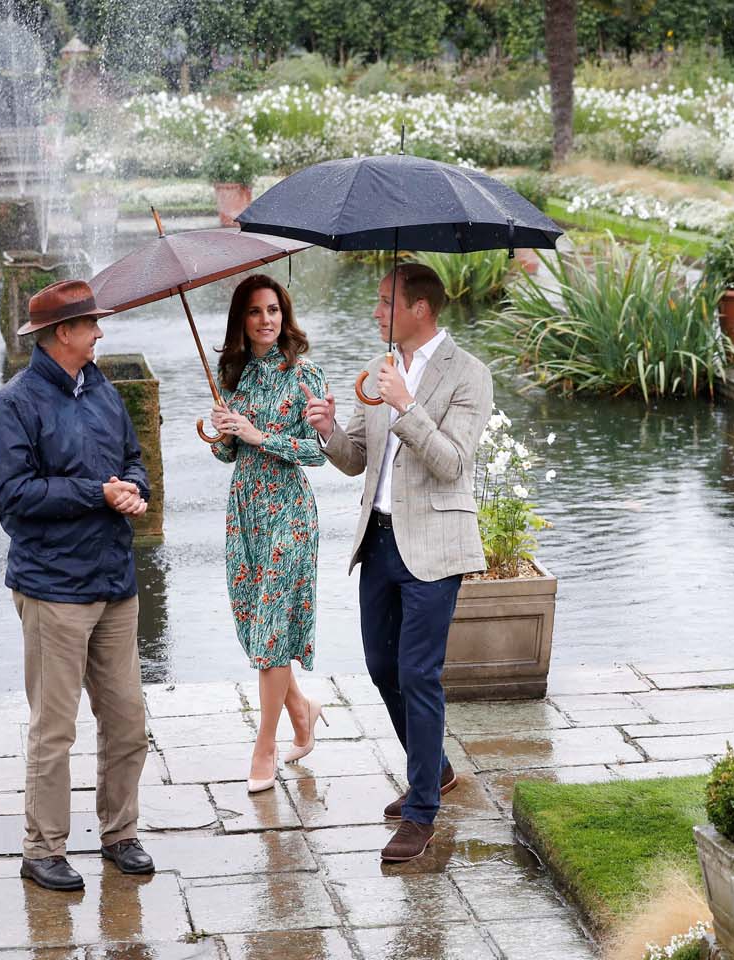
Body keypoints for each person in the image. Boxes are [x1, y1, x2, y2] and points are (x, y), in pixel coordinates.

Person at [302, 263, 494, 862]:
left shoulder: (469, 375)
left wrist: (407, 405)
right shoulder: (379, 370)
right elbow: (357, 459)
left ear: (421, 309)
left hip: (435, 546)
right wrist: (329, 429)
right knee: (382, 665)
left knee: (418, 672)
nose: (377, 311)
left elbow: (452, 464)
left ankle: (420, 814)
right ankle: (433, 768)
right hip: (378, 542)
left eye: (387, 302)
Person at [0, 278, 156, 891]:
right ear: (64, 334)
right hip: (53, 590)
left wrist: (135, 488)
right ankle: (43, 849)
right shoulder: (15, 404)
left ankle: (120, 834)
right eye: (91, 326)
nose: (100, 334)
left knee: (128, 721)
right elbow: (14, 499)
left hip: (114, 582)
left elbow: (133, 458)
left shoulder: (104, 391)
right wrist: (96, 492)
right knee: (54, 729)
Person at [208, 274, 329, 794]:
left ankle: (265, 746)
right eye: (255, 312)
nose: (266, 320)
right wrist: (221, 432)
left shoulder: (305, 375)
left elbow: (319, 452)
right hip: (245, 513)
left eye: (273, 310)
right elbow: (228, 454)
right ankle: (302, 709)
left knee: (274, 630)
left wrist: (260, 435)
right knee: (260, 629)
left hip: (290, 512)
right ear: (242, 320)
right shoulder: (232, 376)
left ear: (285, 315)